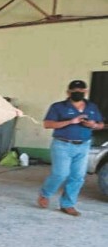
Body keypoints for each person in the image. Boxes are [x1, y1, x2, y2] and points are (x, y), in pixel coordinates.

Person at [38, 80, 104, 216]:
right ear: (68, 92)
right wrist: (70, 121)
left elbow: (101, 125)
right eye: (74, 92)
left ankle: (68, 204)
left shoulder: (92, 107)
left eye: (81, 91)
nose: (78, 94)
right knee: (60, 174)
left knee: (78, 177)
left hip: (84, 145)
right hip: (62, 145)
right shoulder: (58, 107)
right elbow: (47, 124)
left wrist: (93, 125)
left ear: (85, 92)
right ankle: (45, 194)